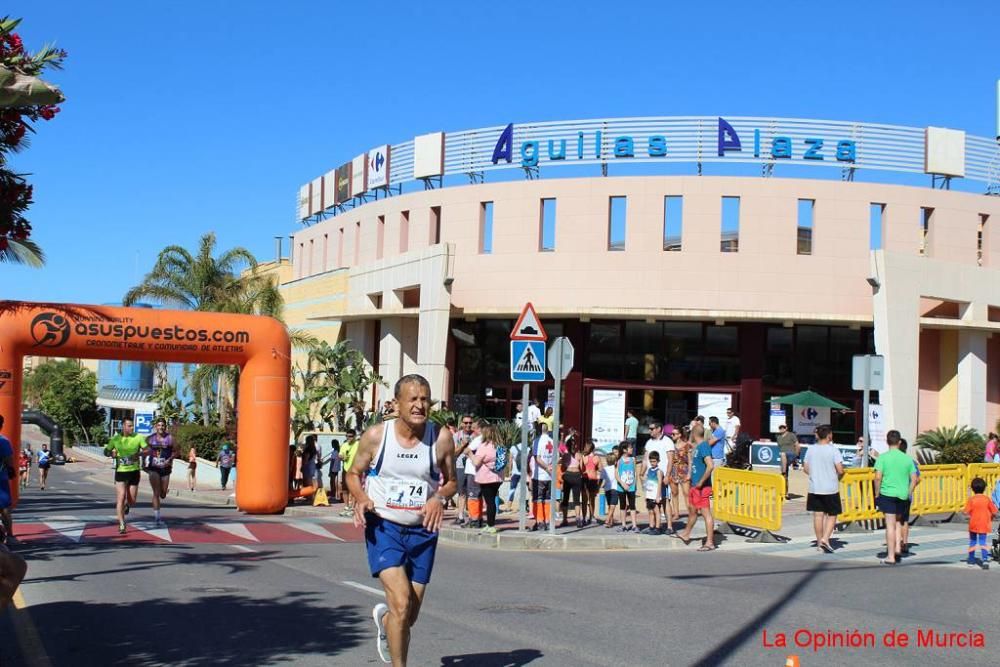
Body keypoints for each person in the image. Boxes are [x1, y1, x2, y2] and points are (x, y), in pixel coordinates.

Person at [345, 374, 456, 667]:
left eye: (425, 399)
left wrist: (439, 497)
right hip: (384, 527)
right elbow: (353, 474)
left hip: (423, 532)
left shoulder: (441, 437)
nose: (420, 405)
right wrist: (361, 497)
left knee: (409, 615)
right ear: (397, 403)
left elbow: (452, 482)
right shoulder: (377, 436)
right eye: (413, 399)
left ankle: (385, 619)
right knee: (402, 602)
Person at [873, 429, 918, 565]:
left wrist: (877, 494)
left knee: (890, 525)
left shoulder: (882, 458)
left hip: (887, 494)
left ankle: (891, 556)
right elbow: (914, 479)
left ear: (887, 442)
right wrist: (909, 492)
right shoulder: (907, 459)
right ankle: (898, 547)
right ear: (899, 442)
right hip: (902, 495)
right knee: (899, 522)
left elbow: (877, 477)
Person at [803, 424, 844, 554]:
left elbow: (805, 468)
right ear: (828, 435)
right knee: (832, 514)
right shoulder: (833, 450)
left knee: (818, 515)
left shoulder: (811, 449)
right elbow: (840, 469)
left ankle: (820, 542)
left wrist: (815, 474)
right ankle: (826, 539)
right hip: (830, 487)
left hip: (815, 486)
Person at [676, 425, 716, 551]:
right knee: (692, 511)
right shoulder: (698, 447)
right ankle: (686, 534)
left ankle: (709, 542)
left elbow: (710, 466)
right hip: (695, 485)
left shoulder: (704, 446)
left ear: (693, 433)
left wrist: (701, 482)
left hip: (702, 487)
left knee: (706, 513)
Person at [104, 418, 145, 535]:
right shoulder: (115, 439)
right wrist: (111, 453)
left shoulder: (138, 437)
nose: (132, 428)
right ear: (123, 427)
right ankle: (122, 524)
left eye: (132, 426)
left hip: (134, 471)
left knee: (132, 501)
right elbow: (106, 451)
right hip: (121, 471)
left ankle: (127, 505)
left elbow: (147, 450)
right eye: (129, 426)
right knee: (121, 497)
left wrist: (139, 454)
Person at [641, 421, 676, 532]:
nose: (650, 431)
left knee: (665, 500)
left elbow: (671, 460)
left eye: (652, 428)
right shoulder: (649, 443)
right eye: (649, 428)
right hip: (650, 477)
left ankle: (669, 526)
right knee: (651, 502)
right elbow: (645, 459)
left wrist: (667, 475)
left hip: (661, 476)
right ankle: (654, 526)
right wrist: (642, 473)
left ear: (659, 428)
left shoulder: (668, 441)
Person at [469, 424, 503, 534]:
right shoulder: (499, 445)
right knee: (492, 500)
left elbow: (476, 462)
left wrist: (469, 453)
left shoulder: (484, 446)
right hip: (497, 478)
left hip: (486, 478)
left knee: (489, 502)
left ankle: (491, 525)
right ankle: (490, 524)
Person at [143, 418, 176, 526]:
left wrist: (170, 459)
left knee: (163, 494)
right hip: (154, 468)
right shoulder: (150, 439)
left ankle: (164, 492)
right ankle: (157, 518)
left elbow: (177, 451)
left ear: (165, 427)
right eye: (159, 425)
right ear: (155, 427)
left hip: (166, 469)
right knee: (156, 493)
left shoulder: (170, 438)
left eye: (163, 425)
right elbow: (145, 451)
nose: (161, 427)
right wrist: (143, 463)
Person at [963, 477, 998, 570]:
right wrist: (991, 517)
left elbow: (965, 512)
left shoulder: (971, 499)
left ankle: (971, 560)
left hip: (973, 524)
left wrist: (968, 495)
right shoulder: (987, 499)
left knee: (972, 542)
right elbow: (994, 511)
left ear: (973, 489)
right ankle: (985, 560)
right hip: (984, 524)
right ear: (984, 488)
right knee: (983, 542)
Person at [896, 438, 921, 556]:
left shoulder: (892, 460)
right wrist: (910, 489)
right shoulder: (911, 461)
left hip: (892, 494)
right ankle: (905, 543)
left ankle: (896, 544)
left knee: (894, 520)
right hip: (906, 495)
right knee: (904, 520)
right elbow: (917, 479)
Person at [529, 422, 555, 531]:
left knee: (538, 499)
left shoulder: (537, 441)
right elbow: (557, 457)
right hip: (550, 476)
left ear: (538, 431)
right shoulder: (552, 441)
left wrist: (545, 467)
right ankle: (548, 521)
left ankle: (540, 521)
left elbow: (537, 458)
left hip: (539, 475)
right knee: (548, 499)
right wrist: (550, 467)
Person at [452, 415, 475, 525]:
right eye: (465, 423)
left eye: (470, 423)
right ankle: (460, 516)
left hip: (473, 467)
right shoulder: (456, 436)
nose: (468, 425)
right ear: (461, 424)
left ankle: (473, 517)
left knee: (472, 493)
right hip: (460, 466)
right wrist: (462, 445)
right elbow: (454, 453)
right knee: (461, 492)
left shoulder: (476, 436)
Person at [462, 420, 485, 529]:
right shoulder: (486, 439)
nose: (473, 430)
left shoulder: (478, 439)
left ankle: (473, 519)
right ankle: (478, 518)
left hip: (473, 470)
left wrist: (467, 451)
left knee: (472, 496)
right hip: (480, 471)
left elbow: (467, 450)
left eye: (475, 428)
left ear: (480, 429)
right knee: (478, 496)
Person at [558, 436, 584, 528]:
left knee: (565, 498)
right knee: (577, 499)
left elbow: (563, 468)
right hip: (577, 476)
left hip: (568, 475)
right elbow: (582, 468)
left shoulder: (565, 455)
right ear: (575, 446)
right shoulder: (579, 455)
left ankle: (565, 520)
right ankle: (578, 519)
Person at [0, 415, 18, 545]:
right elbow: (9, 460)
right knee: (5, 508)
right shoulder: (3, 441)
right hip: (0, 479)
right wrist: (11, 469)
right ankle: (10, 536)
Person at [669, 427, 692, 522]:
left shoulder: (686, 445)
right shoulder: (670, 446)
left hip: (684, 470)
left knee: (686, 493)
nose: (672, 436)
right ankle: (676, 513)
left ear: (679, 435)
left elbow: (690, 461)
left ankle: (691, 513)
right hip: (673, 470)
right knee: (674, 493)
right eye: (672, 434)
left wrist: (689, 473)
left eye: (674, 434)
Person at [615, 441, 638, 532]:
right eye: (630, 447)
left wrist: (635, 485)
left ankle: (634, 525)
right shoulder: (619, 460)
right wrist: (622, 484)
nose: (632, 449)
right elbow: (616, 474)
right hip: (621, 487)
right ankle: (623, 525)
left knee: (632, 506)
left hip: (631, 487)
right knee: (622, 505)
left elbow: (635, 473)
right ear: (624, 450)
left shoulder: (633, 459)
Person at [642, 451, 665, 535]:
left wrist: (658, 496)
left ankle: (658, 528)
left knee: (657, 511)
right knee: (650, 511)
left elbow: (659, 484)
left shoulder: (659, 471)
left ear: (658, 461)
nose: (652, 463)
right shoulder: (649, 470)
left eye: (654, 461)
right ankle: (651, 527)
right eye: (651, 461)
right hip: (649, 495)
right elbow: (647, 482)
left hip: (655, 495)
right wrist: (646, 495)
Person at [340, 429, 360, 516]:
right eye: (347, 436)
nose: (349, 438)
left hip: (355, 469)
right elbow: (340, 455)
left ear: (354, 436)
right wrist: (342, 457)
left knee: (354, 490)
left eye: (351, 436)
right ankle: (346, 507)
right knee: (344, 489)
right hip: (345, 468)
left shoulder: (358, 444)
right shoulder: (344, 445)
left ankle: (352, 508)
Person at [581, 440, 601, 525]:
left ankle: (591, 516)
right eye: (585, 447)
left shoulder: (596, 458)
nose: (585, 448)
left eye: (586, 447)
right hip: (585, 480)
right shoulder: (583, 457)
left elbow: (601, 470)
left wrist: (599, 482)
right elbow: (581, 469)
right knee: (585, 500)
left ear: (590, 448)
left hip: (593, 480)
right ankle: (585, 517)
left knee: (591, 499)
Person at [601, 449, 620, 529]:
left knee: (610, 505)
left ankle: (610, 522)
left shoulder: (604, 469)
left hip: (607, 489)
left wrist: (601, 486)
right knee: (612, 506)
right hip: (615, 488)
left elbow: (602, 479)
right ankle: (608, 520)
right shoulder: (617, 468)